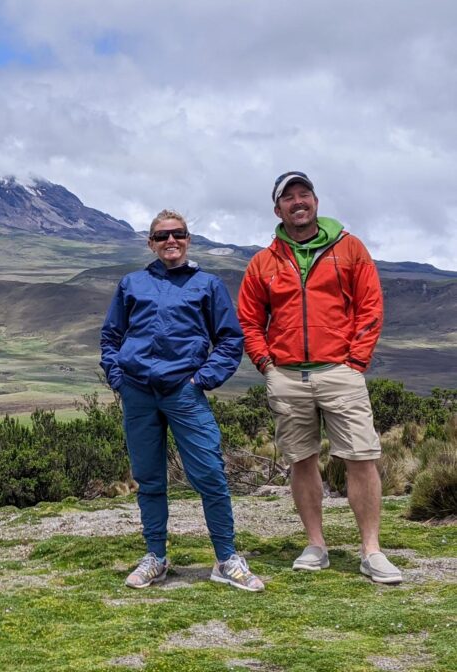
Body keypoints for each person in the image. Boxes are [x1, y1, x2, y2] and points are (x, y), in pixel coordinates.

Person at [237, 171, 402, 584]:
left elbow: (370, 307)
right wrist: (266, 365)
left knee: (361, 457)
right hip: (288, 376)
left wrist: (355, 361)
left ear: (315, 200)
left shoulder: (350, 249)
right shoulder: (264, 261)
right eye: (288, 197)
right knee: (301, 460)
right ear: (278, 209)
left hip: (340, 372)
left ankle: (371, 550)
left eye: (303, 193)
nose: (298, 201)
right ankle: (316, 545)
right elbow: (249, 321)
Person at [100, 209, 264, 592]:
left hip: (183, 392)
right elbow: (111, 337)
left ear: (188, 239)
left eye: (178, 234)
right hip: (138, 392)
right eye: (161, 236)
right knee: (149, 478)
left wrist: (202, 379)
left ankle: (226, 558)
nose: (170, 241)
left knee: (210, 473)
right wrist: (117, 377)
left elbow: (229, 339)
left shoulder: (207, 285)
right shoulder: (132, 284)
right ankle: (155, 557)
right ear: (150, 242)